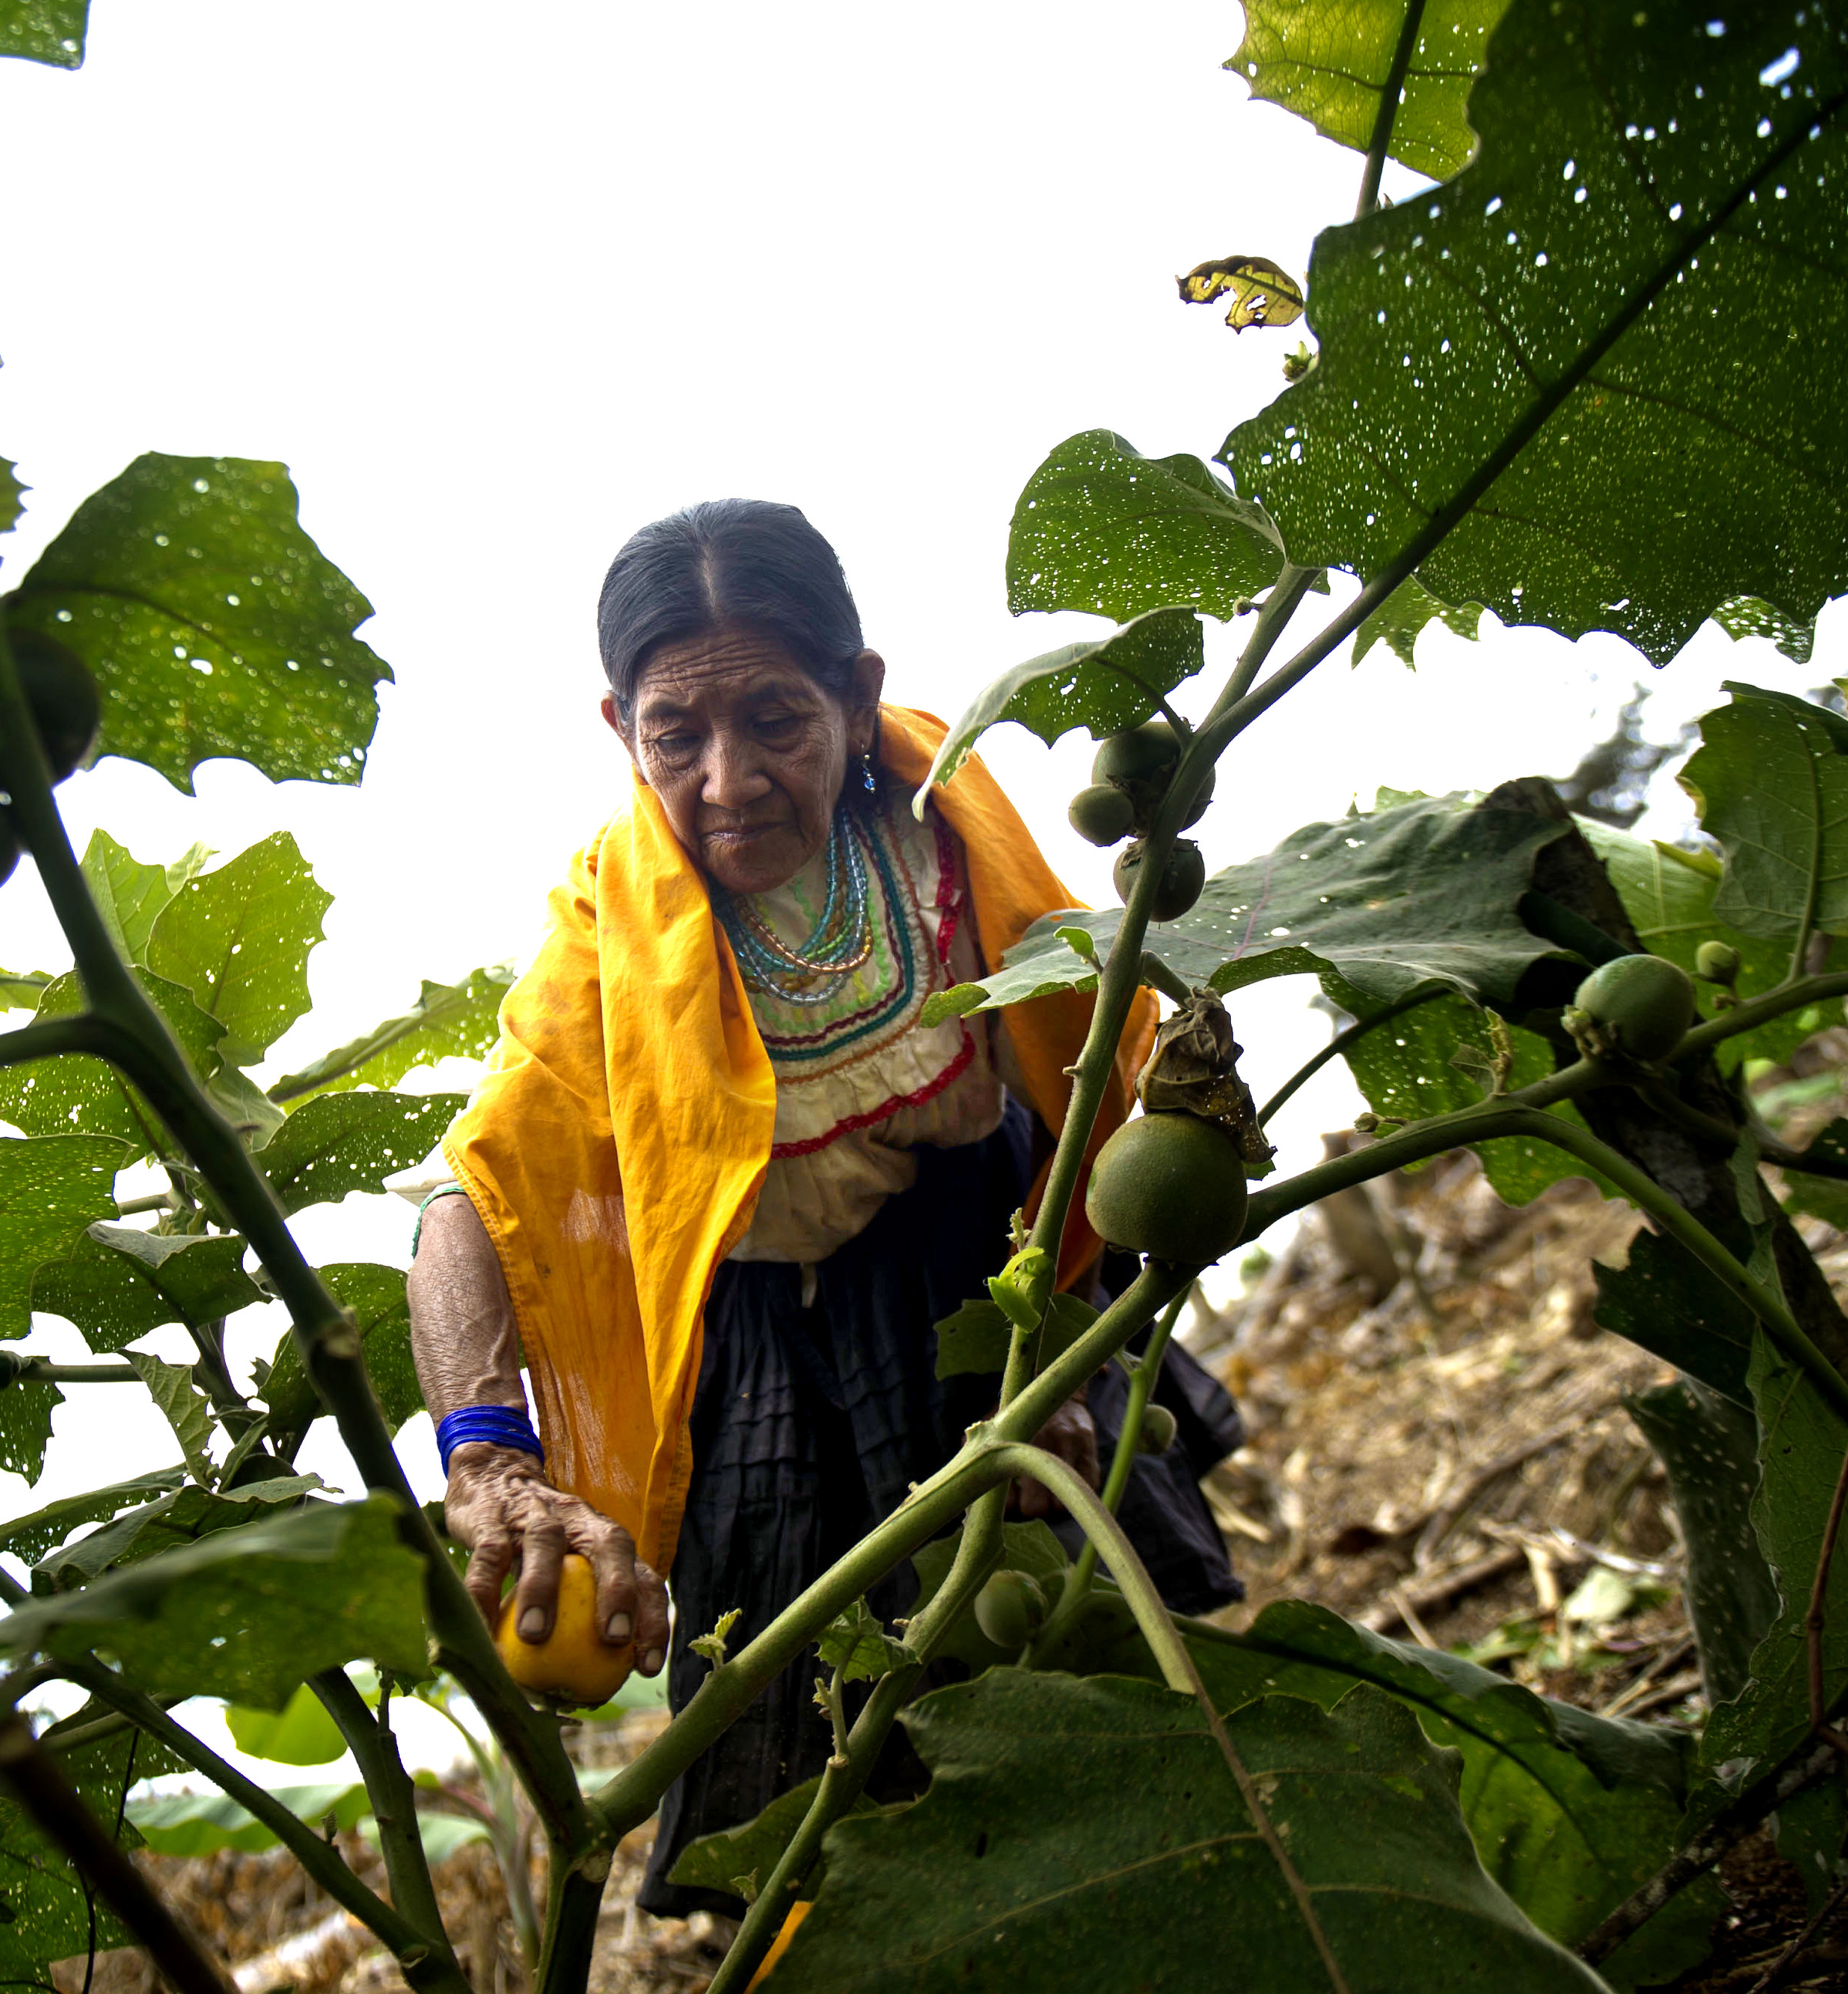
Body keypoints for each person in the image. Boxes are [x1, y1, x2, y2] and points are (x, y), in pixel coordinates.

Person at [409, 499, 1246, 1913]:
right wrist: (490, 1460)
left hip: (984, 1289)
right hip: (763, 1357)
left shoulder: (950, 830)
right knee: (812, 1767)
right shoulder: (607, 934)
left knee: (1071, 1666)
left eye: (775, 720)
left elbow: (1084, 1050)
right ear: (622, 729)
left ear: (857, 699)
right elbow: (470, 1200)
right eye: (678, 736)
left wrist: (1067, 1309)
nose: (728, 780)